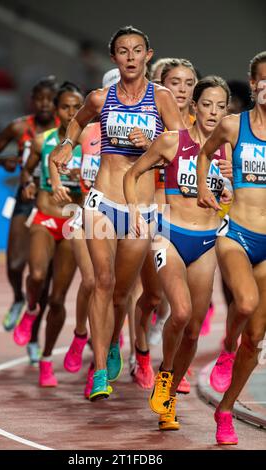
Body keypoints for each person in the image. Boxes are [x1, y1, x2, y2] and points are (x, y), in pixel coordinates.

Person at [49, 25, 185, 401]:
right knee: (102, 282)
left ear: (148, 55)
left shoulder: (162, 98)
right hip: (103, 201)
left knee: (122, 292)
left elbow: (179, 144)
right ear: (114, 58)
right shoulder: (99, 98)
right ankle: (99, 371)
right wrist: (65, 145)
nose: (129, 57)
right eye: (122, 51)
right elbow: (76, 123)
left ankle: (111, 345)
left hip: (139, 209)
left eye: (136, 50)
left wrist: (154, 145)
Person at [124, 76, 232, 431]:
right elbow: (133, 173)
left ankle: (168, 393)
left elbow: (238, 199)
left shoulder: (229, 150)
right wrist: (136, 211)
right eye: (207, 104)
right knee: (180, 312)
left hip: (206, 244)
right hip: (168, 235)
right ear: (195, 108)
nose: (213, 112)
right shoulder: (173, 141)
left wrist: (231, 192)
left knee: (192, 331)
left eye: (220, 106)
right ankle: (163, 374)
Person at [197, 51, 266, 445]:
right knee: (243, 303)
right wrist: (207, 187)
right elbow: (204, 154)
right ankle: (226, 347)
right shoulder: (232, 125)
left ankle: (226, 410)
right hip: (237, 231)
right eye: (262, 78)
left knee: (255, 339)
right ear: (253, 83)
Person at [0, 77, 59, 365]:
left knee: (43, 280)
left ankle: (34, 340)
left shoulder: (62, 132)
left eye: (49, 100)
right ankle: (17, 297)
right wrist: (4, 161)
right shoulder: (18, 127)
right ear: (32, 100)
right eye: (38, 99)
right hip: (24, 201)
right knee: (15, 263)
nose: (43, 105)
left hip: (52, 204)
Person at [14, 81, 85, 386]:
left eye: (76, 108)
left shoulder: (91, 145)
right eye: (66, 107)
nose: (71, 113)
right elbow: (27, 169)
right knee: (38, 276)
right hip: (44, 217)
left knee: (57, 300)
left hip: (72, 223)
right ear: (57, 111)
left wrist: (83, 179)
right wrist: (28, 182)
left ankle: (45, 359)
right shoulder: (43, 141)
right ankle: (30, 309)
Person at [133, 58, 198, 392]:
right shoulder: (149, 123)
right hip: (151, 215)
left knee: (182, 304)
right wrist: (146, 147)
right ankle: (141, 354)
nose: (183, 90)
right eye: (175, 83)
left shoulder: (204, 124)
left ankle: (172, 366)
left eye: (189, 83)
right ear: (162, 87)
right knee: (153, 297)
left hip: (189, 222)